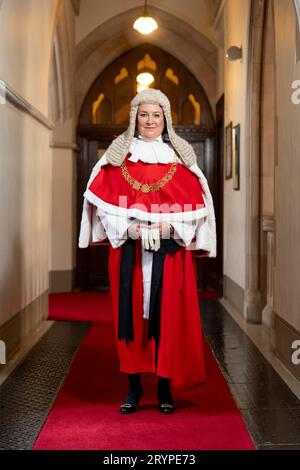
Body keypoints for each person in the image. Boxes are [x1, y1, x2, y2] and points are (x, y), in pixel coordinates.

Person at [78, 88, 216, 414]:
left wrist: (170, 229)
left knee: (168, 320)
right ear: (134, 118)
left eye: (156, 115)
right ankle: (134, 388)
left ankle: (165, 387)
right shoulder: (117, 158)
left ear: (165, 118)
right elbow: (104, 205)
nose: (150, 121)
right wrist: (130, 229)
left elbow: (197, 209)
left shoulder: (180, 160)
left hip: (170, 256)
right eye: (144, 114)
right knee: (131, 321)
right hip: (129, 253)